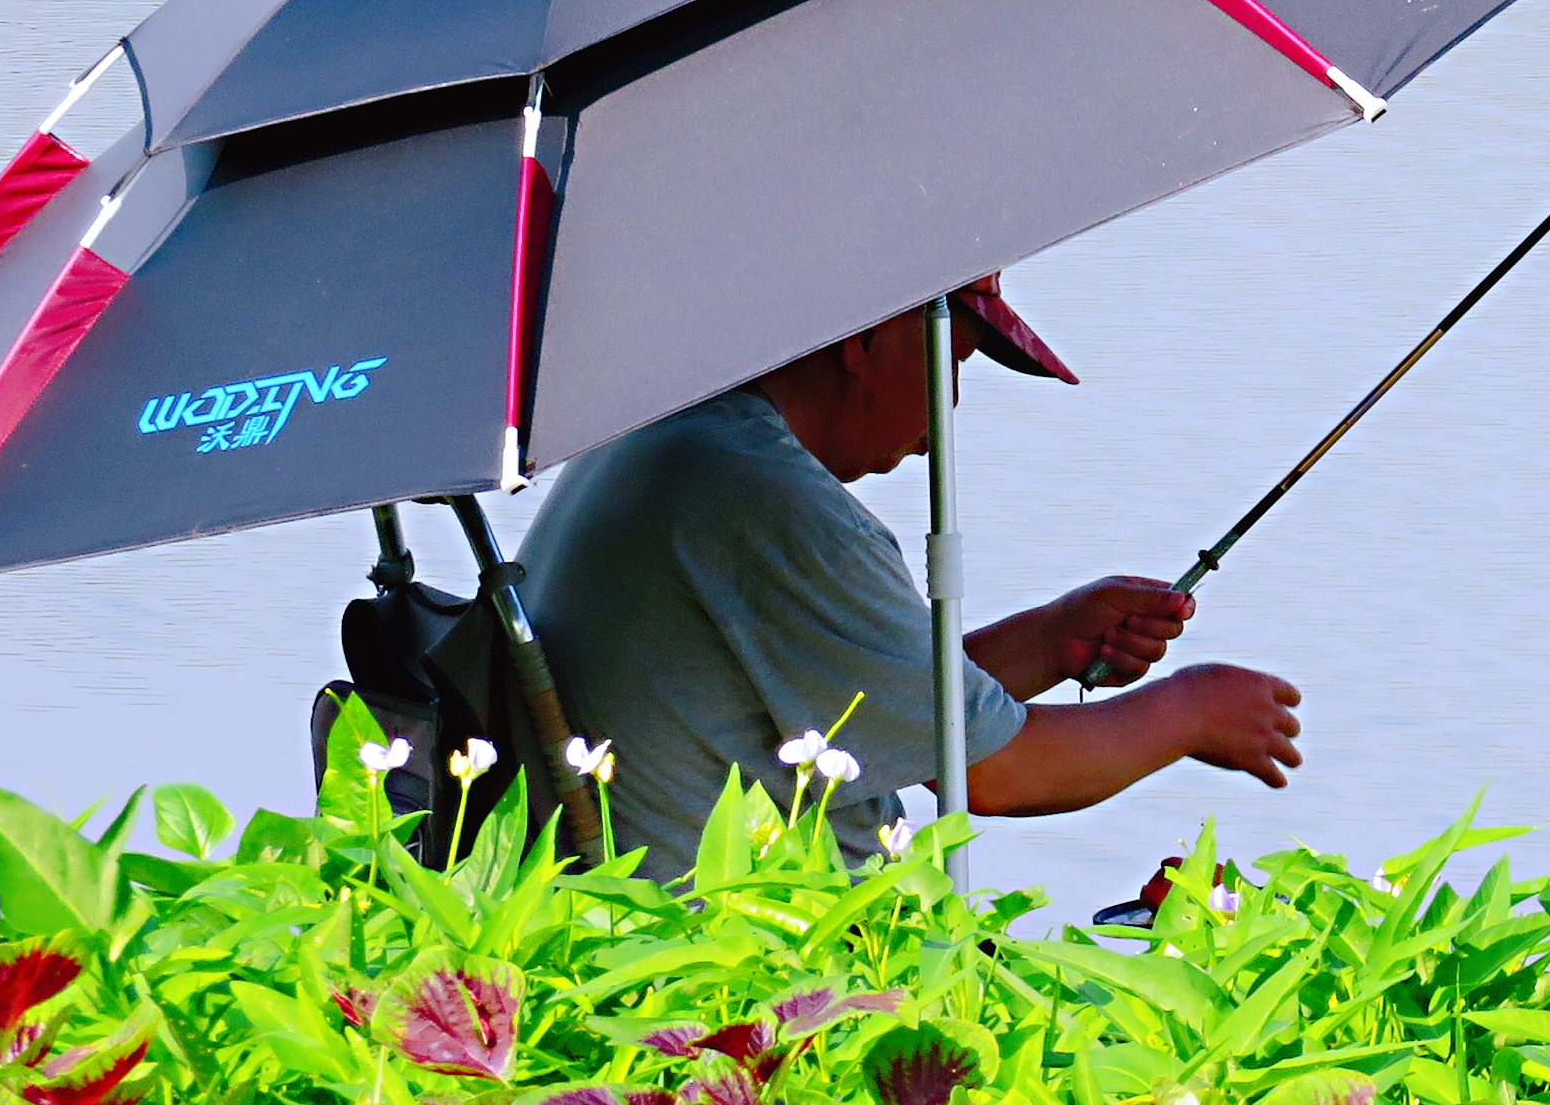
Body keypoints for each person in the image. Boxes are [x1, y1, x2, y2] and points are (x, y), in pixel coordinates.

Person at [511, 274, 1305, 870]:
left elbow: (866, 708)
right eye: (947, 358)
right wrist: (1193, 711)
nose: (948, 407)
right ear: (865, 341)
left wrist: (1047, 640)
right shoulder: (771, 502)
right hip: (737, 968)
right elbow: (997, 775)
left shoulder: (678, 440)